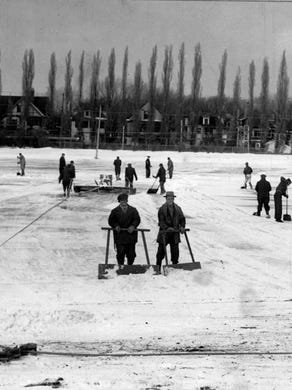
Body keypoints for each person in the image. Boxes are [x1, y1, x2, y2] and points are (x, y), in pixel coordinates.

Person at [108, 192, 141, 265]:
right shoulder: (114, 211)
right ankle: (121, 266)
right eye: (122, 201)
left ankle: (130, 266)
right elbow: (111, 221)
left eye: (125, 201)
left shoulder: (133, 210)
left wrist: (133, 226)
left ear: (127, 201)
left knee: (131, 254)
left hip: (131, 236)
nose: (124, 203)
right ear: (119, 202)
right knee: (120, 253)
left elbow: (137, 219)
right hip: (120, 236)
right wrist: (116, 226)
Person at [156, 191, 186, 269]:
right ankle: (158, 267)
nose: (170, 200)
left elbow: (182, 218)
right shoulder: (162, 209)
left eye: (171, 199)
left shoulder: (178, 208)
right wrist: (167, 228)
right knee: (161, 251)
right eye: (168, 199)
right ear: (166, 199)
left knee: (175, 251)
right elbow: (161, 221)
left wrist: (182, 226)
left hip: (175, 233)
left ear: (173, 199)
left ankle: (174, 266)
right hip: (164, 233)